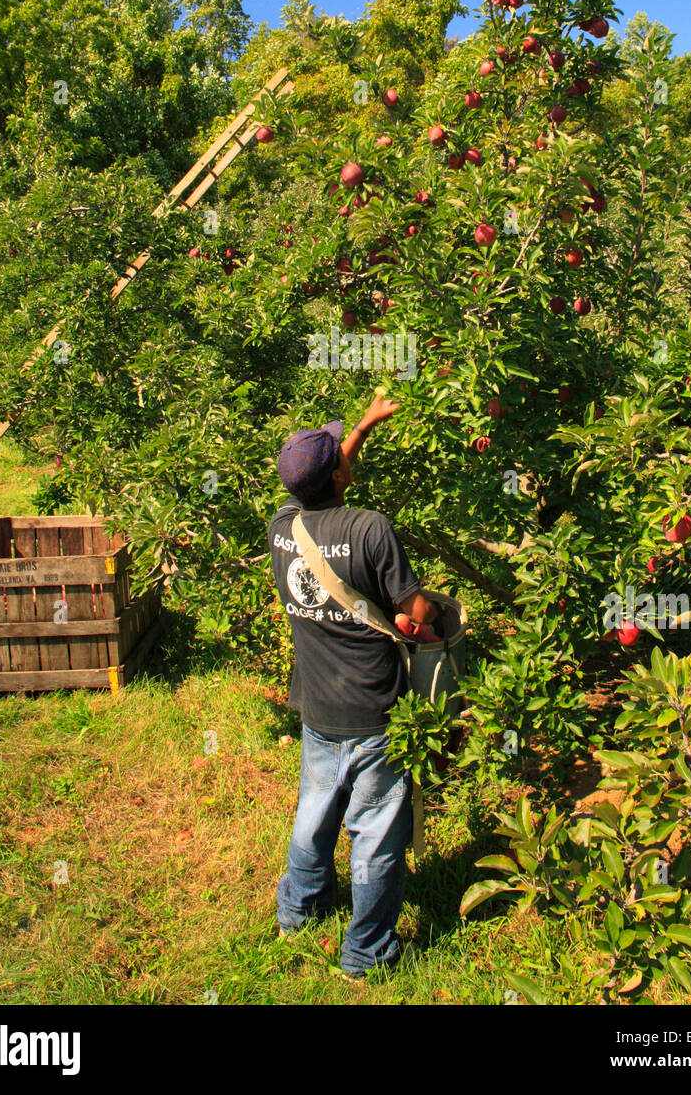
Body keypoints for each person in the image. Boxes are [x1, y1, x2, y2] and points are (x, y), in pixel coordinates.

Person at [268, 393, 437, 979]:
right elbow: (413, 609)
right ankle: (365, 954)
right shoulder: (372, 530)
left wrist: (363, 425)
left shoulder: (282, 527)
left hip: (317, 706)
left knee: (314, 814)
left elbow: (319, 475)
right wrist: (426, 619)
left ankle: (299, 911)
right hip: (375, 712)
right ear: (339, 475)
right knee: (375, 836)